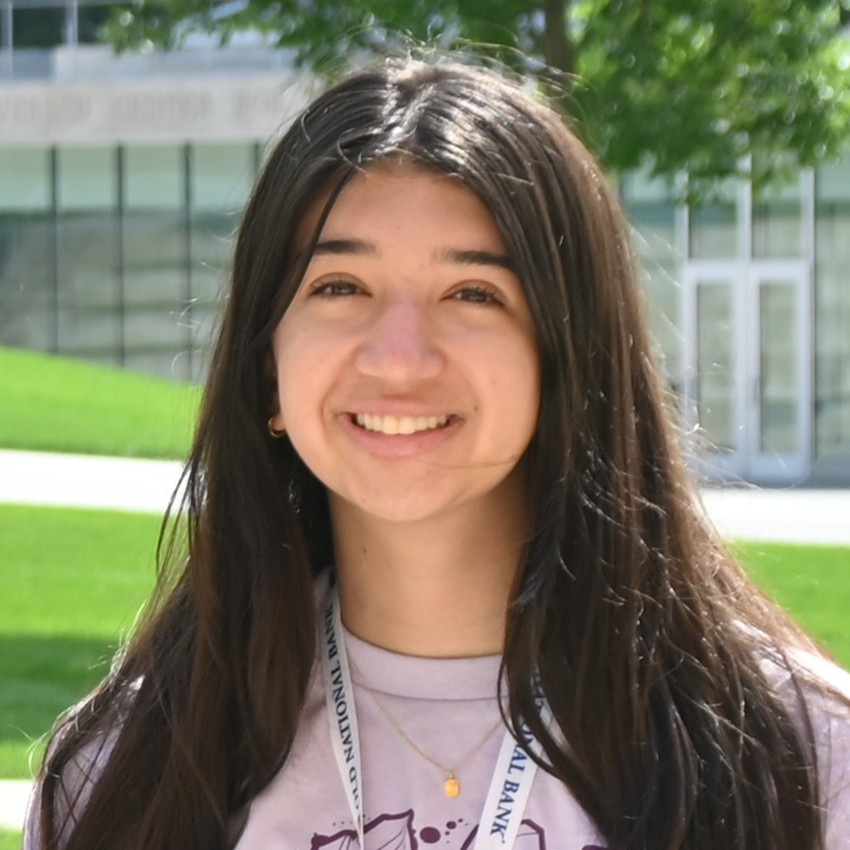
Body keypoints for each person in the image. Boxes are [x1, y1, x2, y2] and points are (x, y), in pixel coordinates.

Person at [26, 56, 850, 850]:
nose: (399, 360)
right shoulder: (127, 775)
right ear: (267, 366)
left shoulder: (799, 764)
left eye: (473, 293)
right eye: (339, 287)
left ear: (569, 361)